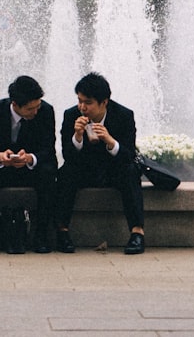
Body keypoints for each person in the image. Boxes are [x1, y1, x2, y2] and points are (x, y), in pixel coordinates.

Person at [54, 72, 146, 255]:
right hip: (85, 170)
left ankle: (137, 233)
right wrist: (77, 137)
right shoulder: (71, 114)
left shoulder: (123, 115)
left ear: (104, 102)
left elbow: (128, 155)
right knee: (65, 173)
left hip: (113, 170)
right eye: (80, 101)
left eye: (88, 103)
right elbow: (67, 155)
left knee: (130, 172)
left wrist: (110, 141)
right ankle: (62, 231)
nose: (82, 107)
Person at [0, 75, 56, 254]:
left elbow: (47, 149)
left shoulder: (46, 111)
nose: (35, 111)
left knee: (49, 172)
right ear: (15, 104)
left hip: (30, 169)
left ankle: (41, 236)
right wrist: (0, 156)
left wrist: (30, 158)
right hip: (4, 168)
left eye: (37, 106)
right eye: (30, 109)